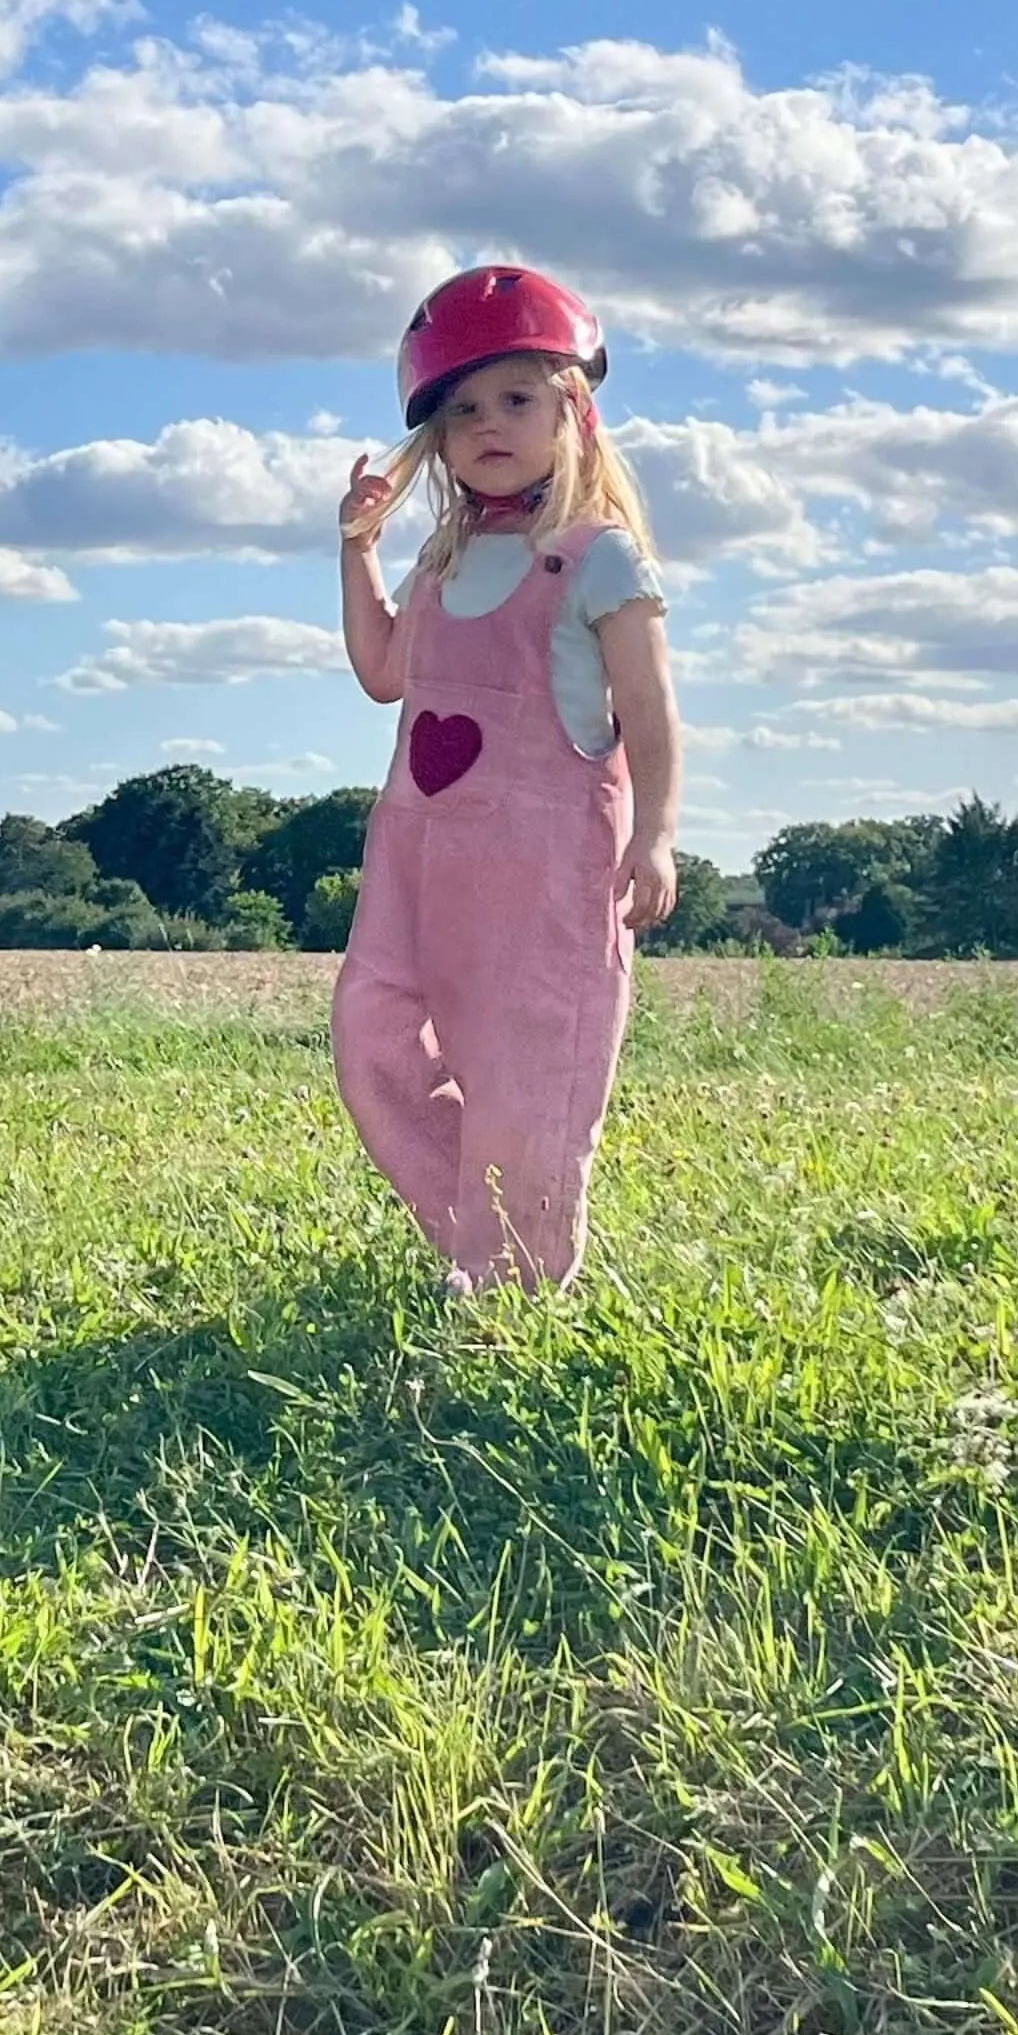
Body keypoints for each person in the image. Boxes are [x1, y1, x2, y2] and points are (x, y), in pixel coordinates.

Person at [331, 264, 682, 1291]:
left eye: (517, 399)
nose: (490, 424)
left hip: (545, 874)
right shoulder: (441, 562)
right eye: (463, 410)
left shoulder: (598, 558)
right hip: (422, 868)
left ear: (574, 406)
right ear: (434, 440)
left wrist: (655, 833)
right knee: (373, 1035)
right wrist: (356, 550)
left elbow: (652, 718)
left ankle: (517, 1283)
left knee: (528, 1080)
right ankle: (482, 1239)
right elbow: (383, 674)